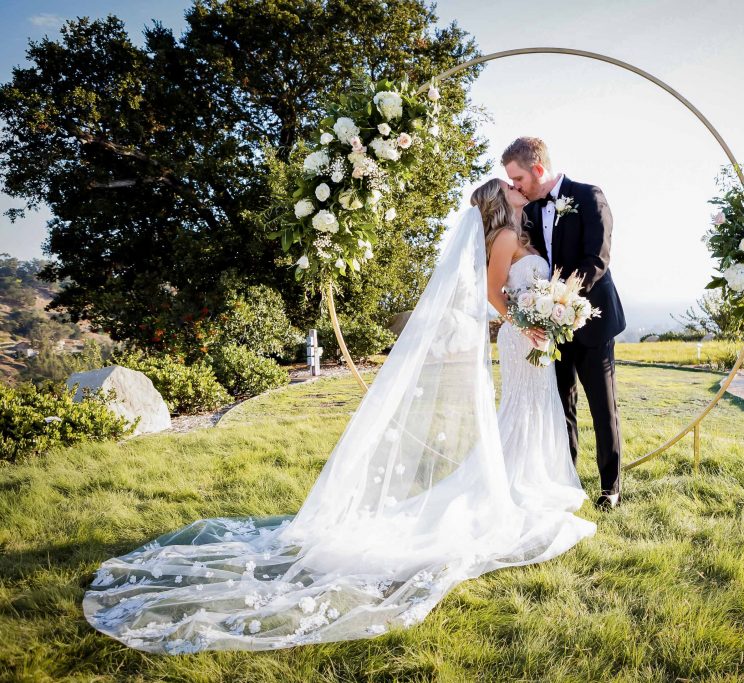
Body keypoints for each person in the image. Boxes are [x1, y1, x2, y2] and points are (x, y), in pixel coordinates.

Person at [81, 182, 596, 654]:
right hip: (522, 337)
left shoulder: (519, 231)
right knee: (523, 411)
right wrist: (526, 321)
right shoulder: (504, 235)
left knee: (535, 412)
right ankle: (519, 489)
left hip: (533, 336)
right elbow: (494, 293)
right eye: (508, 187)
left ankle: (530, 479)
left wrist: (547, 313)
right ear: (497, 204)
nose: (515, 189)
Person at [503, 137, 627, 509]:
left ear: (538, 169)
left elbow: (597, 258)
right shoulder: (526, 210)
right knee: (560, 407)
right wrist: (537, 308)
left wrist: (562, 299)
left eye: (519, 178)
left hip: (590, 318)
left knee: (603, 407)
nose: (515, 186)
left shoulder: (588, 195)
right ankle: (566, 481)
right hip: (547, 326)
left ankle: (611, 488)